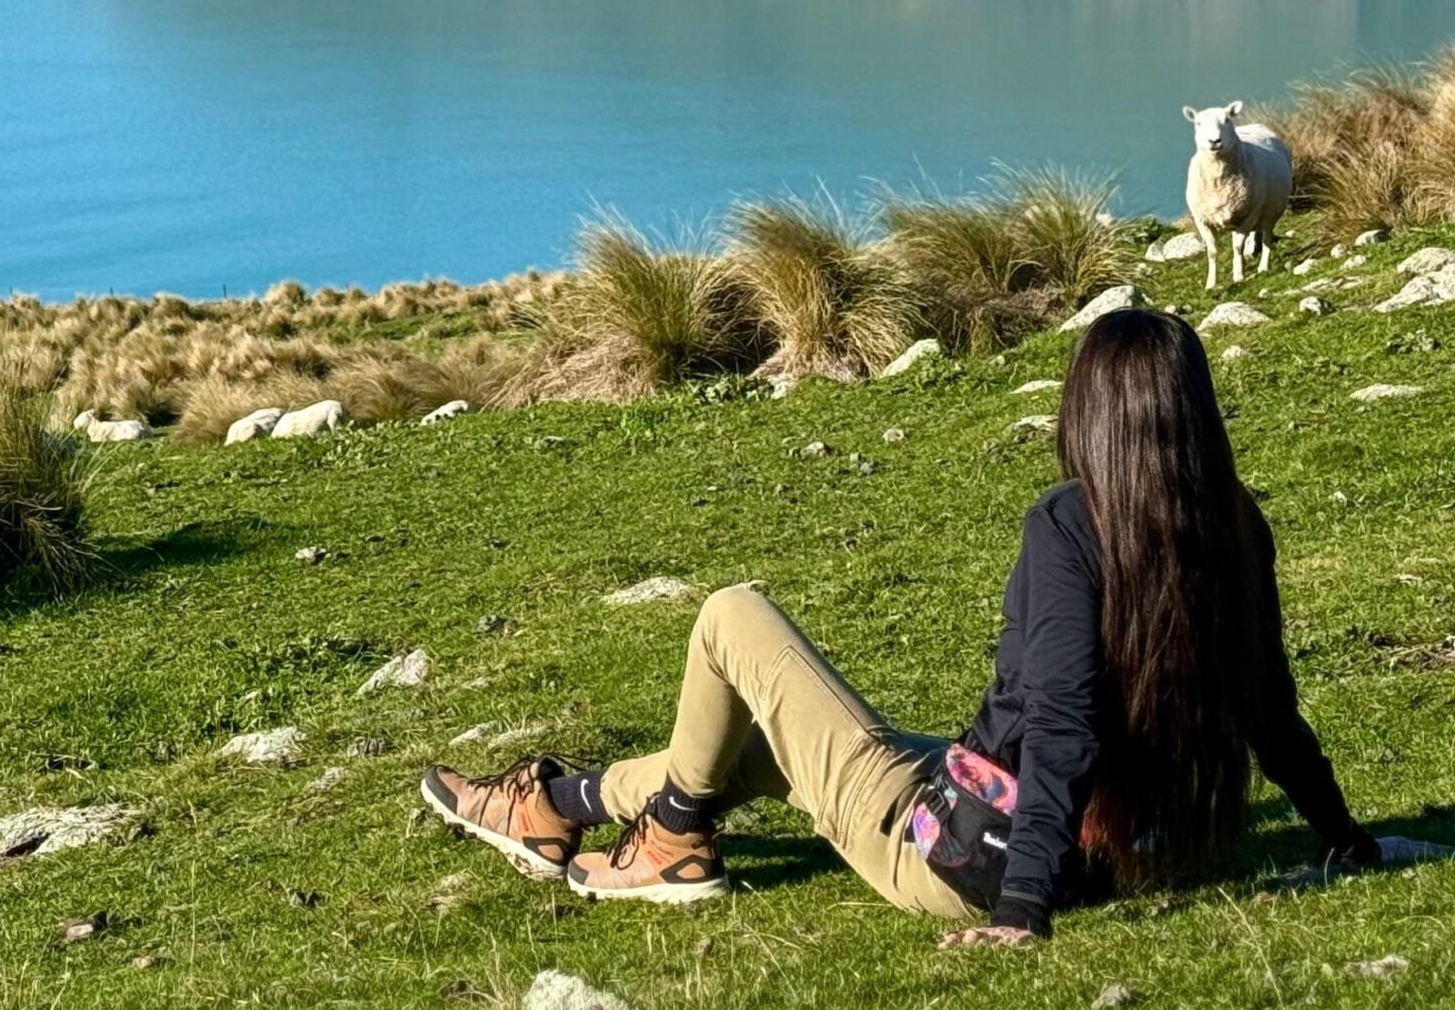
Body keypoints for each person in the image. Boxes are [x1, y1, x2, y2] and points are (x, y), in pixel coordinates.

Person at [420, 307, 1380, 944]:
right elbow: (1270, 706)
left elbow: (1063, 728)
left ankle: (667, 838)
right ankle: (567, 806)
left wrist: (1021, 913)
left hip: (960, 851)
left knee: (731, 617)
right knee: (750, 755)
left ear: (1089, 413)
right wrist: (1343, 836)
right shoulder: (1233, 522)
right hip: (1135, 852)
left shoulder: (1069, 527)